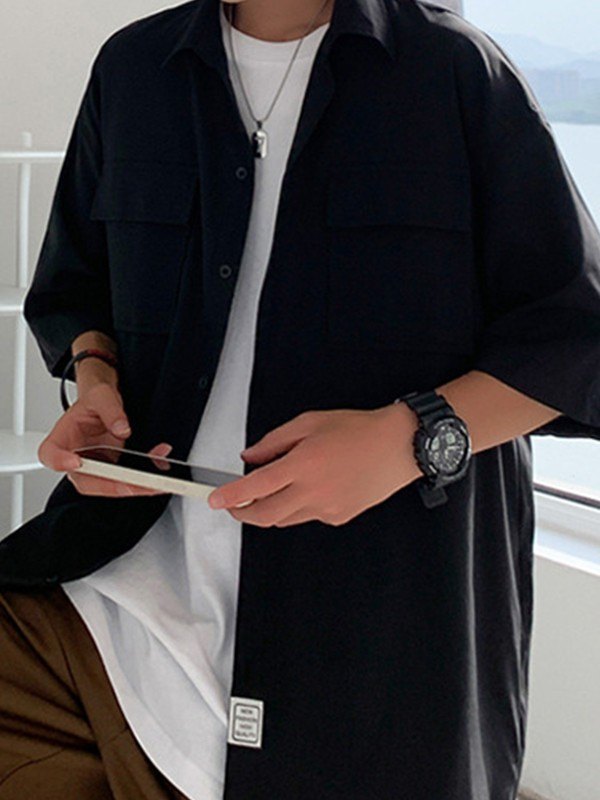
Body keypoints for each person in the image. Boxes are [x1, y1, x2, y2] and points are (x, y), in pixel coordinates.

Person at [1, 0, 600, 798]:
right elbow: (77, 288)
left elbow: (577, 340)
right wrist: (96, 379)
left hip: (371, 662)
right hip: (112, 612)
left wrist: (406, 440)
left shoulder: (456, 74)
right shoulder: (133, 70)